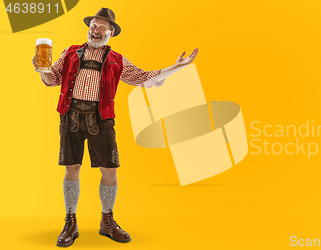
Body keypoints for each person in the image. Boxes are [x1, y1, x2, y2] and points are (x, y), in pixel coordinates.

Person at [32, 7, 198, 247]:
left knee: (109, 170)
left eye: (101, 27)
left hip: (102, 119)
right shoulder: (69, 53)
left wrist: (177, 67)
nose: (95, 30)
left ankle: (107, 221)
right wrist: (42, 70)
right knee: (71, 169)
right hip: (70, 116)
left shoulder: (117, 60)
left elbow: (144, 78)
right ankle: (70, 222)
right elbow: (52, 80)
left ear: (111, 33)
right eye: (93, 26)